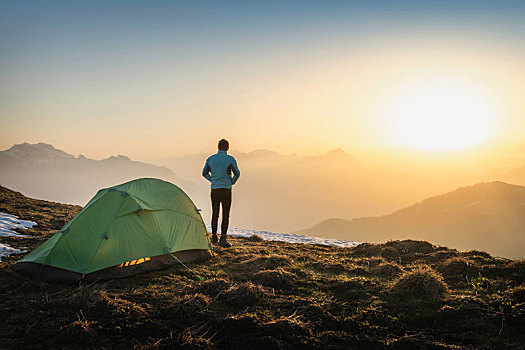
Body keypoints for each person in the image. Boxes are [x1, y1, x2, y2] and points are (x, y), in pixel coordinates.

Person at [202, 139, 240, 247]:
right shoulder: (230, 159)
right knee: (225, 214)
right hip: (226, 189)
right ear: (227, 147)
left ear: (218, 147)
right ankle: (223, 239)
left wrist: (212, 180)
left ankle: (214, 237)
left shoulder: (210, 159)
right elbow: (237, 173)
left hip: (215, 189)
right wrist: (231, 182)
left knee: (215, 213)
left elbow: (204, 173)